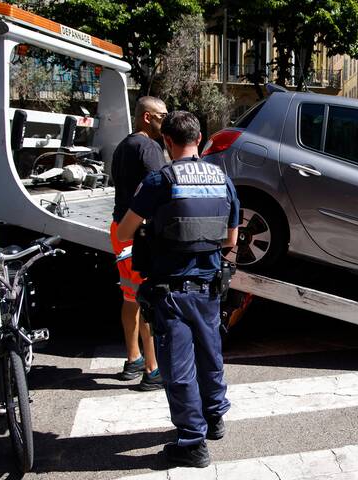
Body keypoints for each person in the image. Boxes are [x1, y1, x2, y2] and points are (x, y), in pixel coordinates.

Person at [116, 111, 239, 468]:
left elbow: (124, 232)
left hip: (171, 291)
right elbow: (231, 239)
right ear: (199, 139)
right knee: (210, 355)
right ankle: (214, 418)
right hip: (209, 288)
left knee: (179, 368)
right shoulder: (222, 179)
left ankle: (192, 443)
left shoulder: (159, 180)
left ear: (167, 142)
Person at [110, 96, 168, 390]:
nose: (165, 120)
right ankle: (152, 369)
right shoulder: (149, 147)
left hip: (119, 228)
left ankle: (133, 358)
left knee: (130, 296)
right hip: (140, 232)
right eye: (162, 115)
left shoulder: (123, 146)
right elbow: (160, 188)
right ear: (147, 117)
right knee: (147, 297)